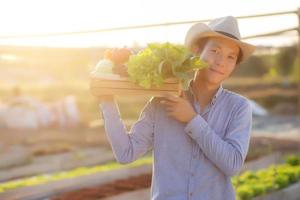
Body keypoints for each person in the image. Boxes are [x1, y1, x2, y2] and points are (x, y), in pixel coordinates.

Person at [99, 16, 256, 200]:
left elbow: (233, 165)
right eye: (215, 50)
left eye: (231, 57)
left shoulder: (238, 108)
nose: (221, 61)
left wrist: (191, 119)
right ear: (197, 51)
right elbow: (126, 153)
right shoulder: (162, 102)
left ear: (234, 65)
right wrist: (106, 97)